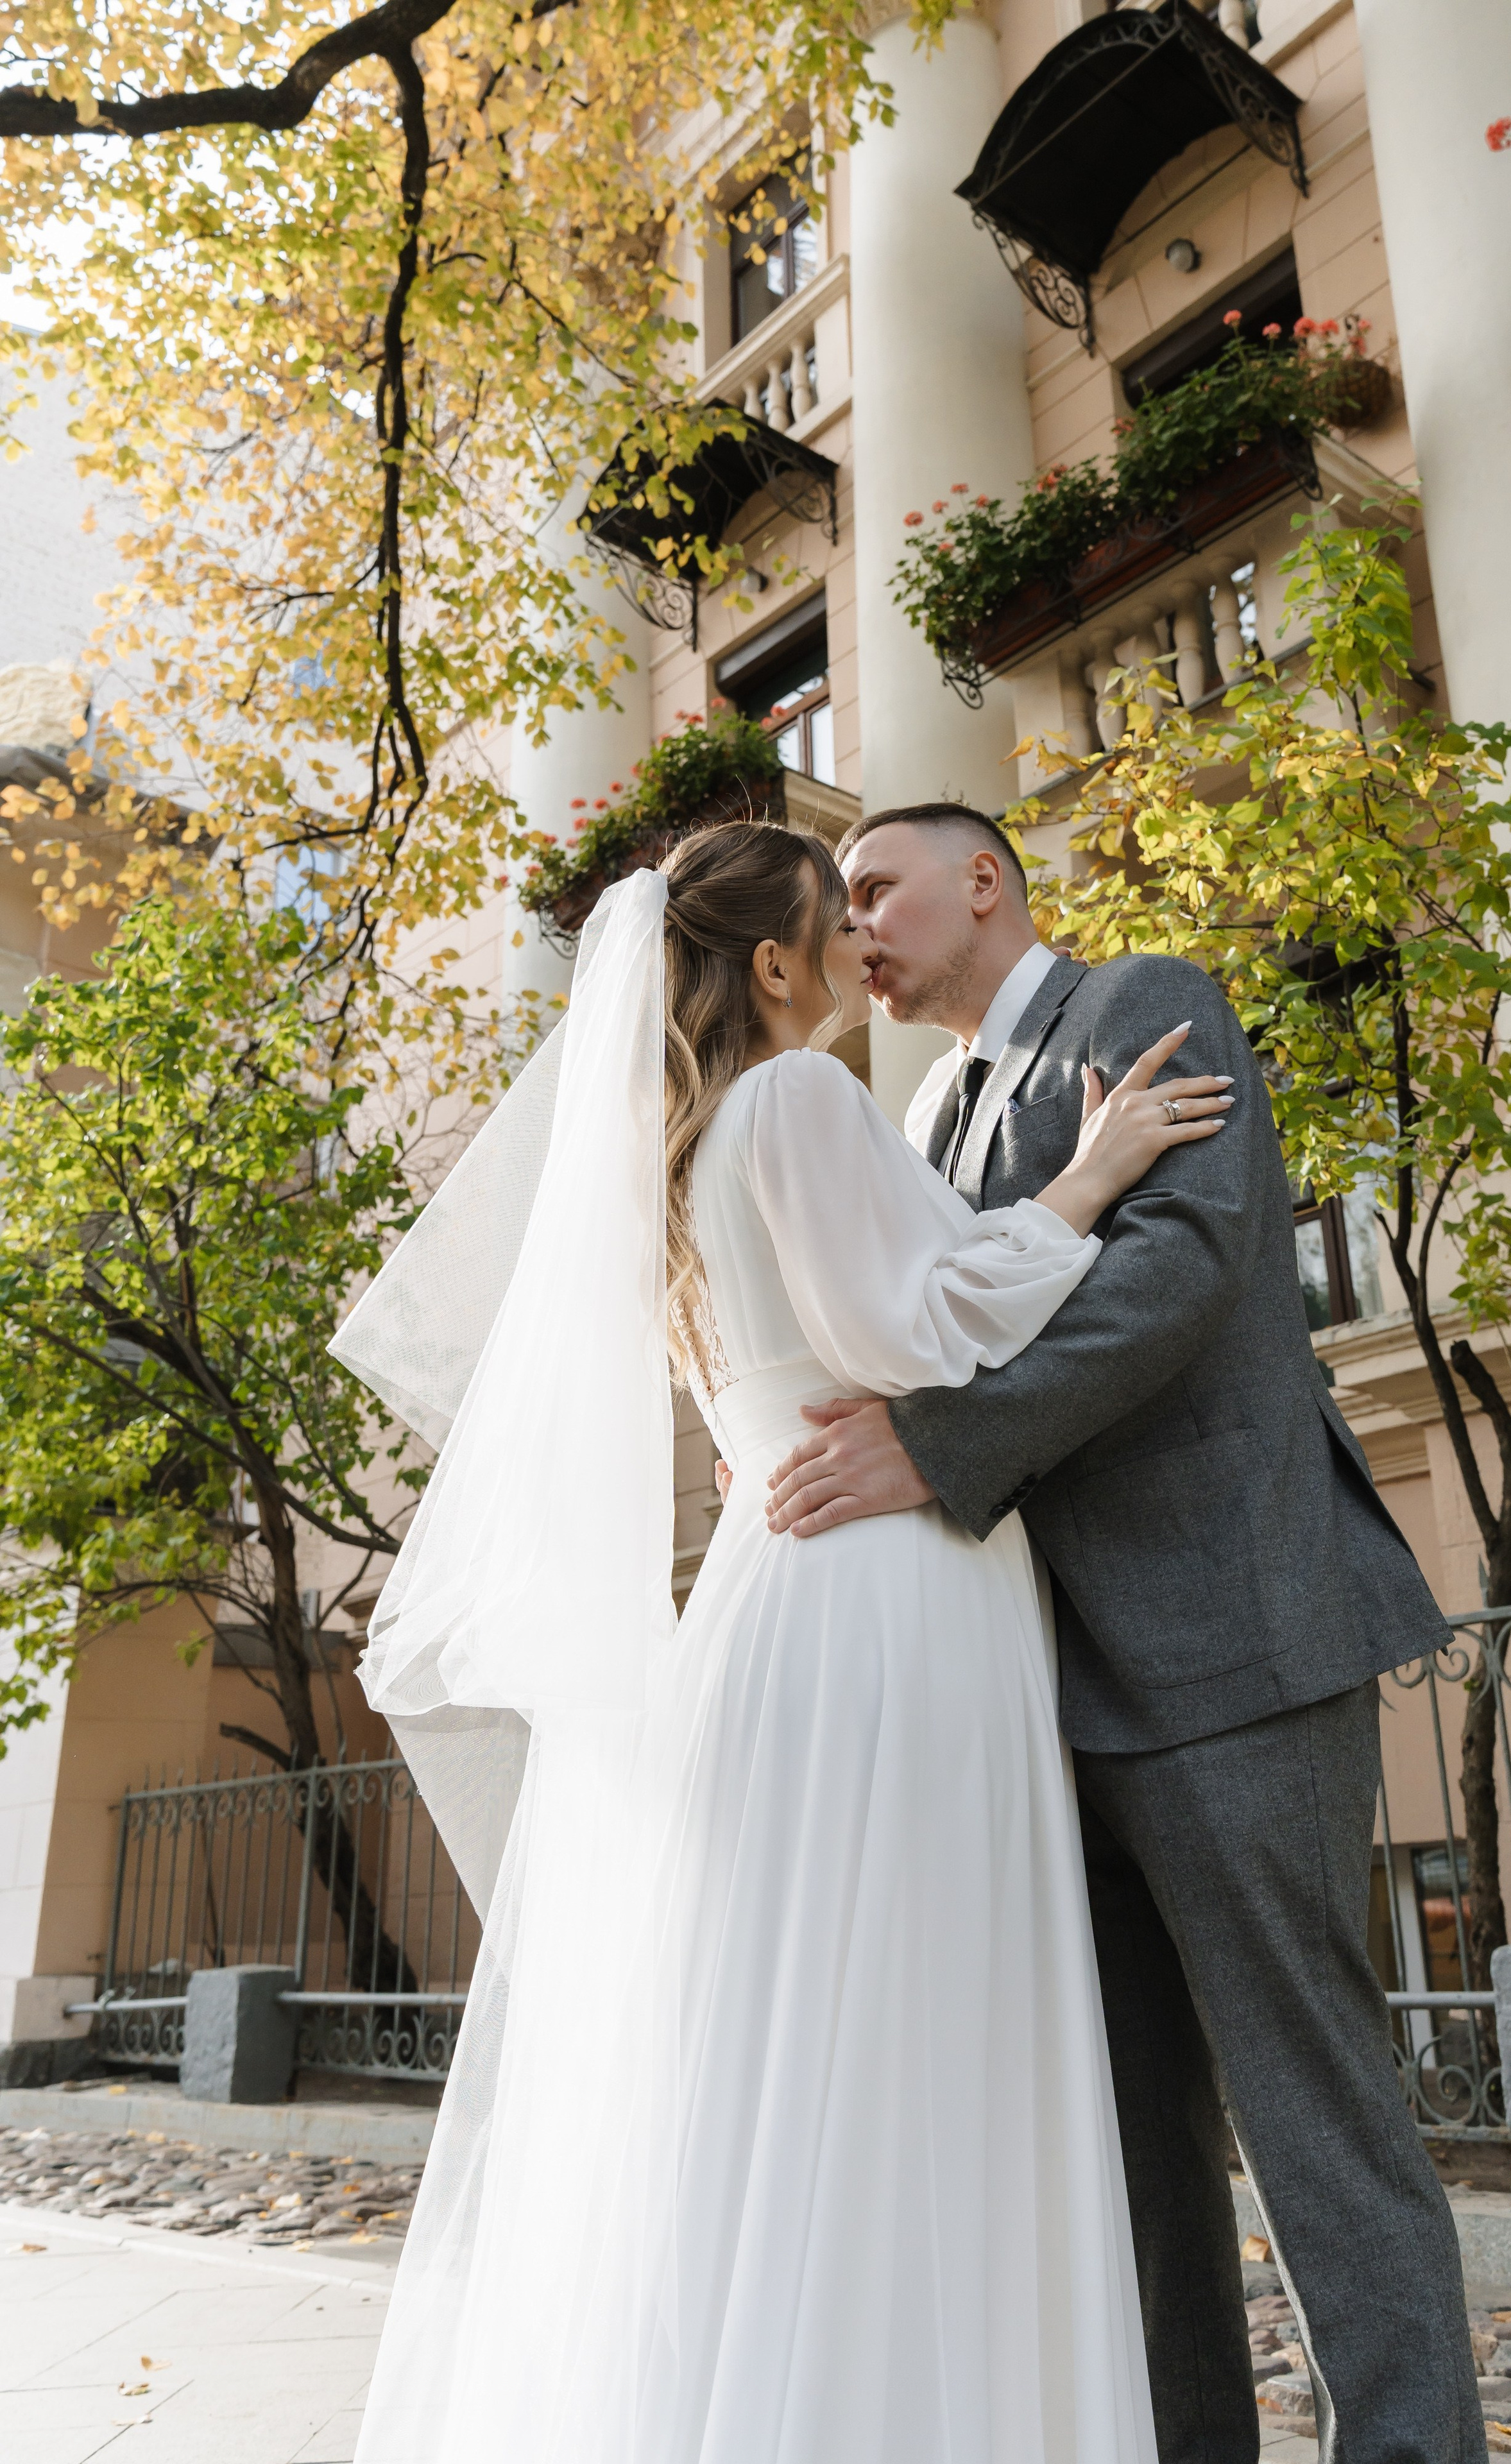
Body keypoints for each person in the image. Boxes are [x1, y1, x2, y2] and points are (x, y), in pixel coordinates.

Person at [334, 818, 1233, 2464]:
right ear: (772, 964)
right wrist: (1091, 1175)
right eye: (841, 914)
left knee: (794, 2045)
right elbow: (930, 1324)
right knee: (916, 2026)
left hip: (768, 1595)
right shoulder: (801, 1096)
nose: (861, 949)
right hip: (886, 1593)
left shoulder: (677, 1154)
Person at [764, 803, 1485, 2464]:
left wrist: (934, 1449)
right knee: (1133, 2157)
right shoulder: (931, 1110)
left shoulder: (1140, 1001)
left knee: (1318, 2120)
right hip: (1035, 1696)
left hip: (1232, 1646)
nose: (855, 920)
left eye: (878, 885)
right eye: (843, 899)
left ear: (987, 882)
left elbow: (1181, 1271)